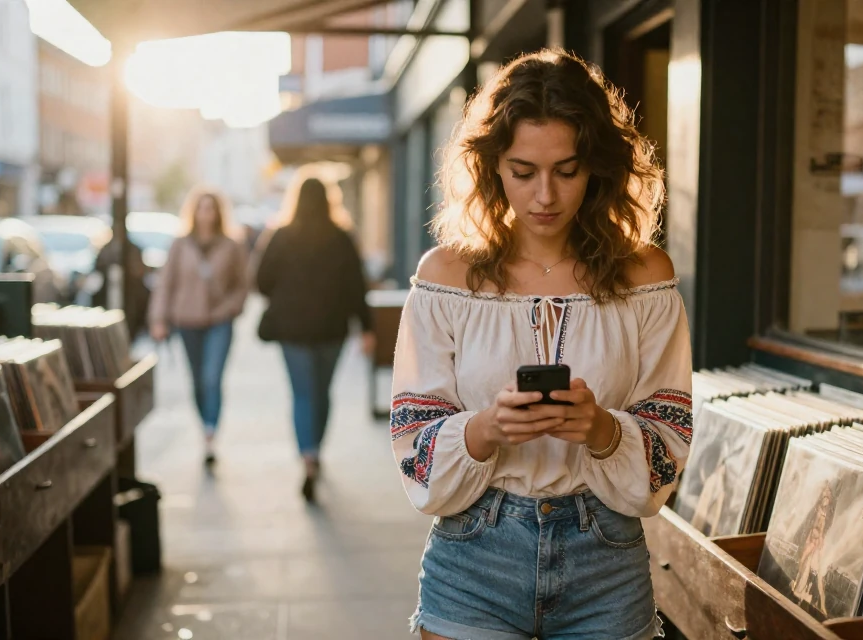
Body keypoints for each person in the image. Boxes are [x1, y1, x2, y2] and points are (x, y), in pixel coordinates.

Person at [390, 49, 692, 640]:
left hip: (605, 561)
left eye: (567, 170)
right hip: (473, 558)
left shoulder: (646, 277)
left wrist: (602, 430)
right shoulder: (447, 277)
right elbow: (413, 446)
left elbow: (668, 443)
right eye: (524, 171)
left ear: (597, 168)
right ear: (492, 167)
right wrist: (486, 430)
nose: (546, 196)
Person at [255, 173, 374, 501]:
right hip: (332, 329)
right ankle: (317, 449)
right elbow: (357, 287)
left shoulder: (281, 236)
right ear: (328, 200)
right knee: (322, 392)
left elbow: (262, 282)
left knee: (302, 394)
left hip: (292, 330)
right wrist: (366, 329)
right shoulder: (341, 237)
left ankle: (307, 456)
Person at [148, 187, 249, 465]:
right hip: (187, 320)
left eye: (212, 208)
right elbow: (165, 284)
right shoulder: (180, 244)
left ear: (219, 213)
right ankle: (204, 422)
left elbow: (243, 284)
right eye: (202, 208)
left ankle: (210, 432)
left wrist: (230, 309)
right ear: (194, 212)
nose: (207, 214)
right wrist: (159, 319)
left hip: (220, 321)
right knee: (196, 380)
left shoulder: (231, 245)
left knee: (212, 377)